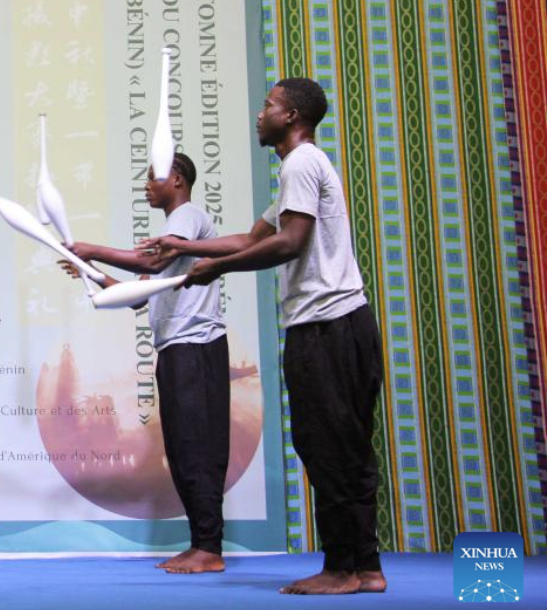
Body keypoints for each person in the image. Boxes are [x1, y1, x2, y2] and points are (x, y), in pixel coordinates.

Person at [141, 78, 386, 595]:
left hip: (325, 328)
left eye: (269, 106)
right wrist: (186, 246)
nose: (260, 113)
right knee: (348, 447)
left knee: (326, 446)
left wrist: (216, 267)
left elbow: (290, 244)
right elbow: (254, 238)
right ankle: (366, 568)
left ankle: (343, 568)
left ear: (292, 115)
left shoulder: (300, 163)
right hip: (348, 325)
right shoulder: (300, 171)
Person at [62, 152, 230, 574]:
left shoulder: (187, 218)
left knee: (198, 447)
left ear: (176, 179)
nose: (145, 186)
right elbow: (138, 294)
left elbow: (148, 262)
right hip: (176, 349)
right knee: (183, 447)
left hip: (197, 347)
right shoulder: (173, 234)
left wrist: (91, 247)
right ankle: (202, 544)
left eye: (151, 178)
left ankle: (209, 548)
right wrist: (89, 268)